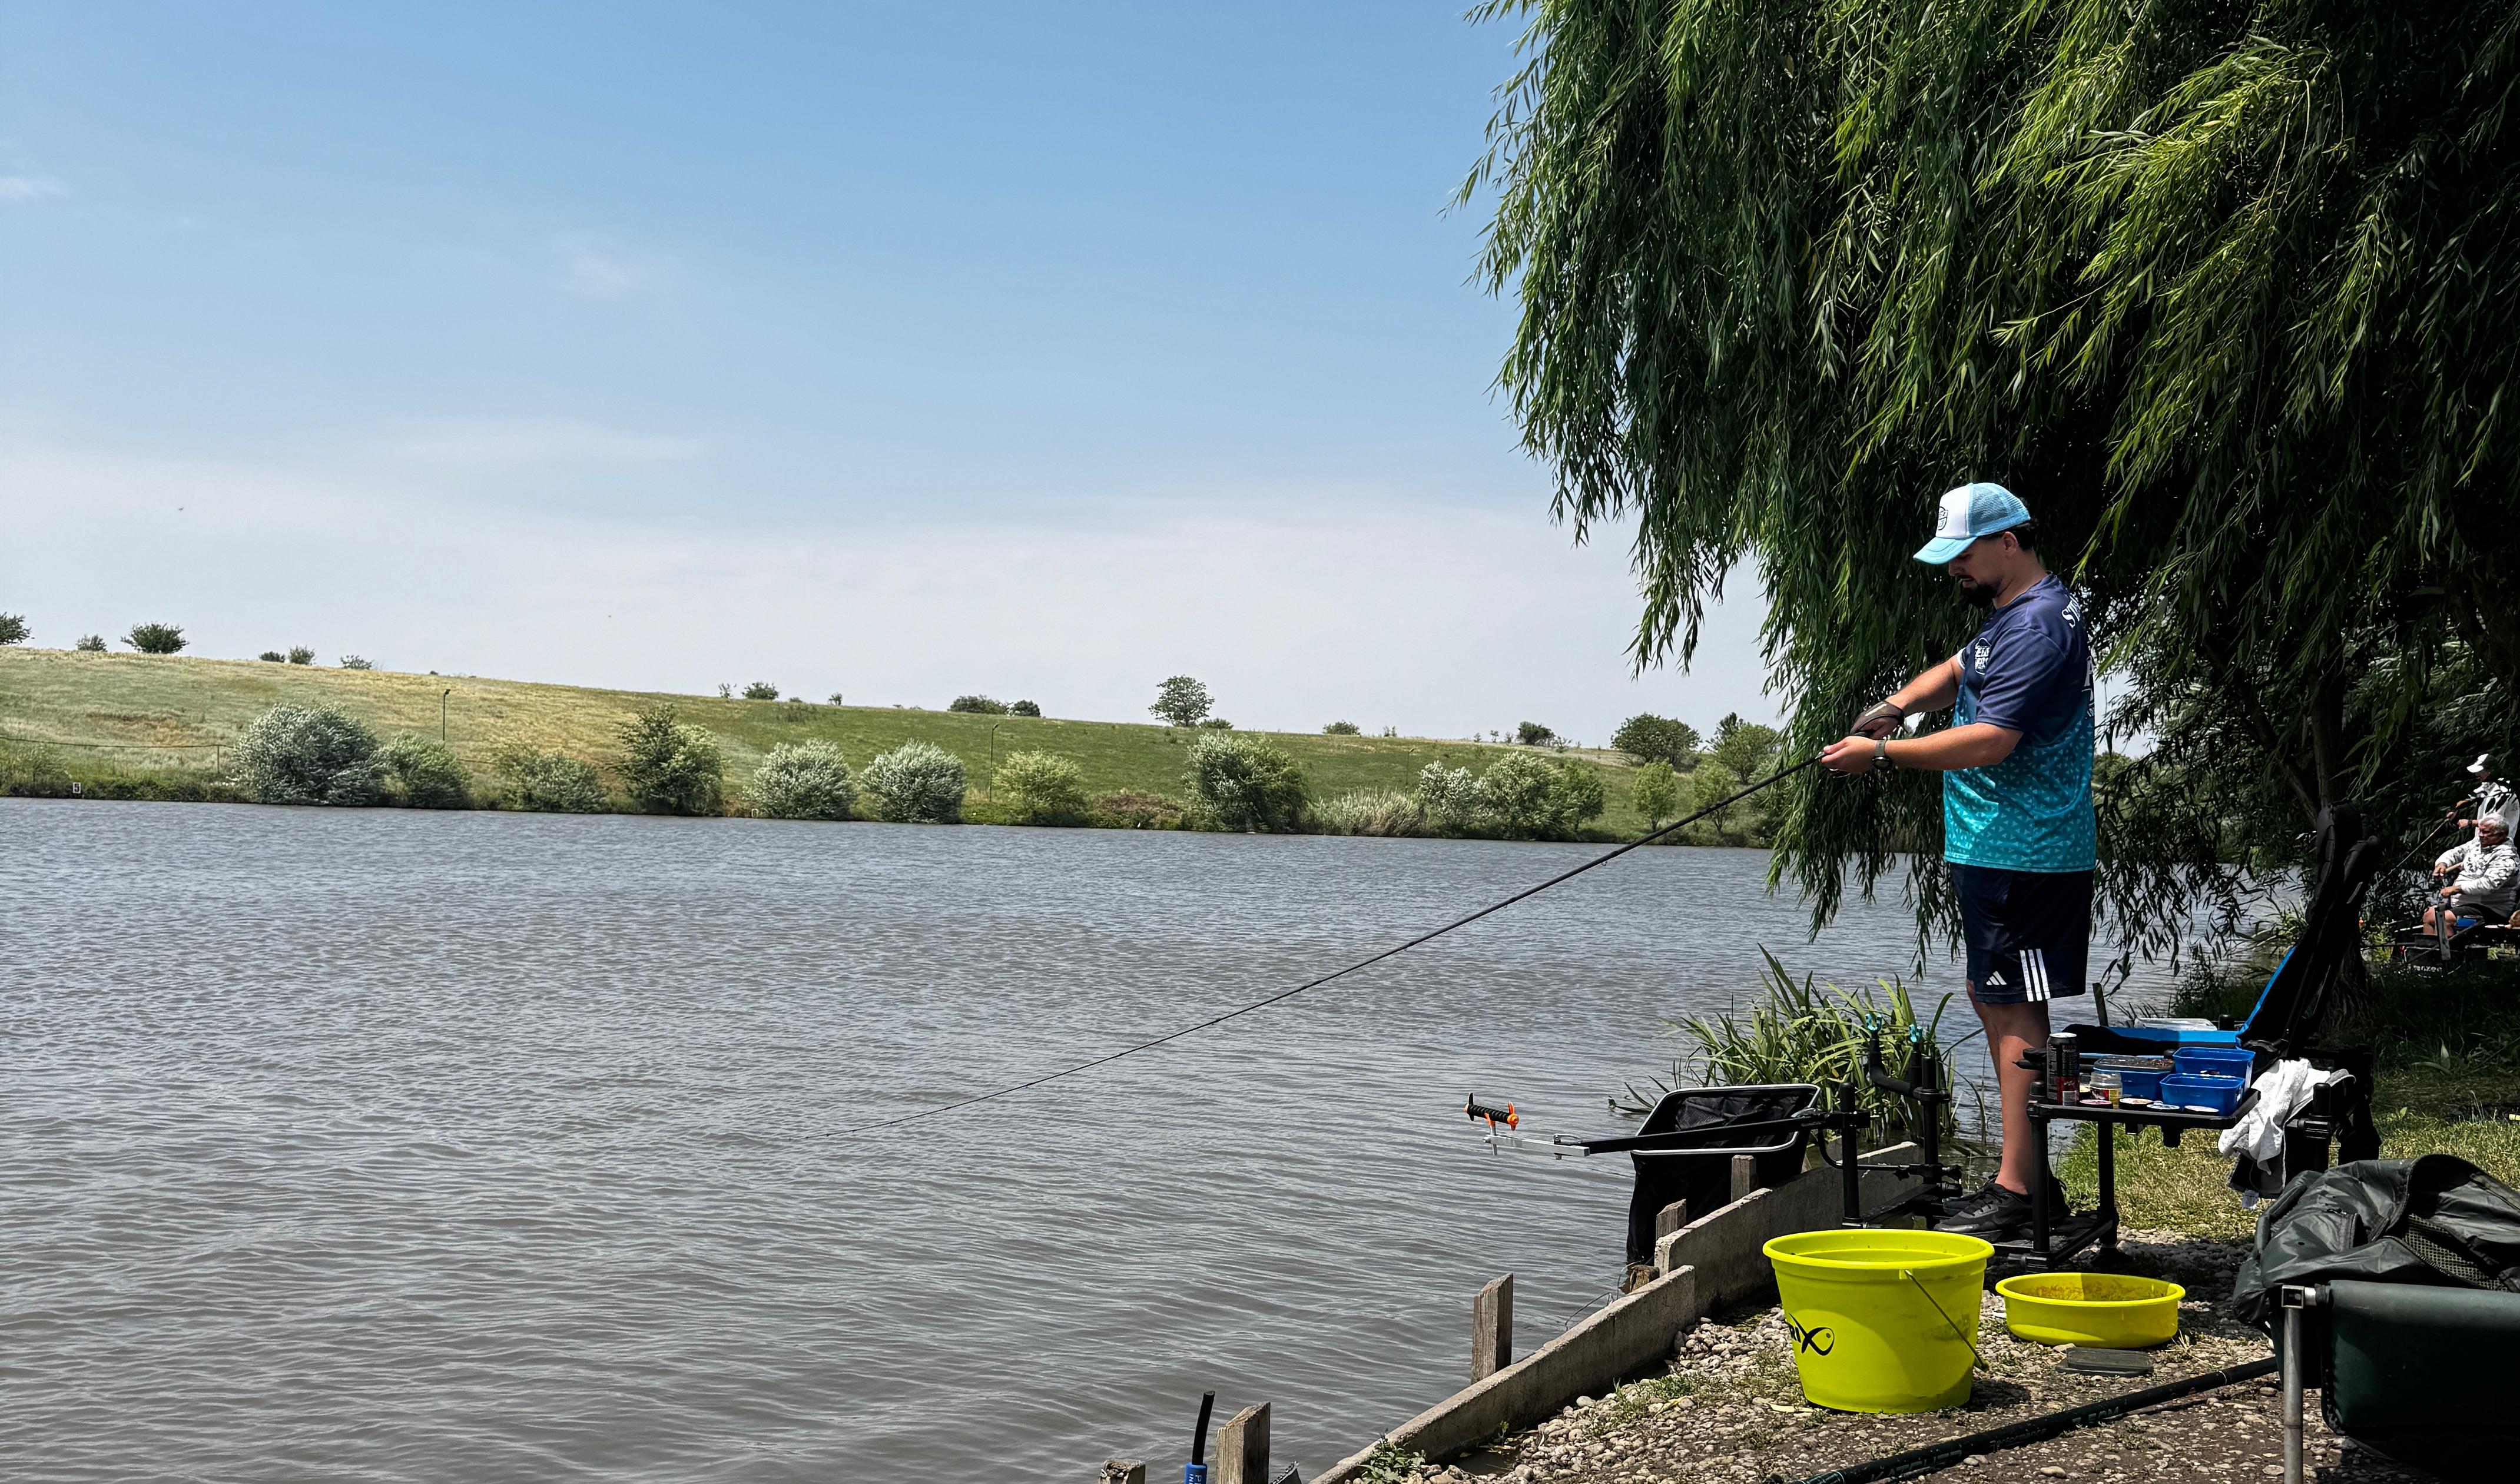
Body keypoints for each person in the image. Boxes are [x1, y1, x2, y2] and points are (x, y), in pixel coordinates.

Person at [1820, 483, 2096, 1241]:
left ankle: (2017, 1191)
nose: (1953, 571)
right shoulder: (2015, 613)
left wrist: (1879, 751)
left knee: (2015, 1009)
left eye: (1963, 555)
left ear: (2008, 540)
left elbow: (1990, 739)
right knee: (1992, 996)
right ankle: (2026, 1174)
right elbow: (1955, 668)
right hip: (1999, 850)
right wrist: (1895, 704)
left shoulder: (2039, 627)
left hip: (2027, 851)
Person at [2427, 816, 2518, 930]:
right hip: (2464, 904)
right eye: (2480, 831)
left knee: (2441, 918)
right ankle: (2430, 947)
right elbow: (2456, 852)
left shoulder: (2507, 857)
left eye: (2486, 832)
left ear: (2501, 835)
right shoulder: (2477, 844)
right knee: (2429, 915)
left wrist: (2456, 889)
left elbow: (2488, 885)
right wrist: (2442, 864)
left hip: (2490, 908)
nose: (2480, 835)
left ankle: (2450, 948)